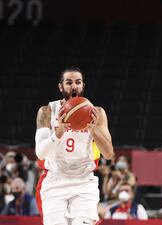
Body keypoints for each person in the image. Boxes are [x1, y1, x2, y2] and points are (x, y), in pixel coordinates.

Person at [35, 67, 114, 225]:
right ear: (61, 87)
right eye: (69, 82)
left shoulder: (97, 113)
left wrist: (94, 131)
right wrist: (58, 133)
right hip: (55, 181)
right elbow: (40, 153)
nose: (74, 86)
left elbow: (108, 153)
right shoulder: (47, 111)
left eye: (78, 82)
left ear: (83, 85)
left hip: (84, 182)